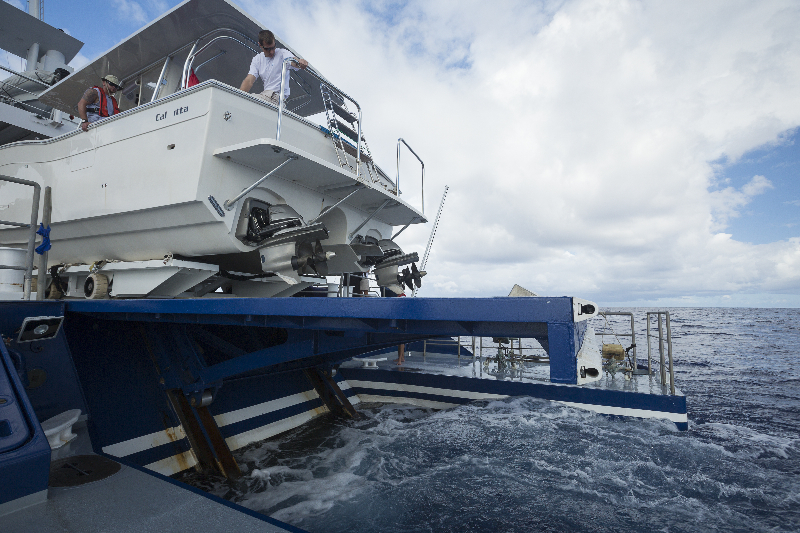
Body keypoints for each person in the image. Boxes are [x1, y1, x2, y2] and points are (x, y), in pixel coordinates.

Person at [239, 30, 308, 105]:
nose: (271, 52)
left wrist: (300, 62)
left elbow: (293, 61)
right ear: (260, 45)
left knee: (248, 100)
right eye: (267, 49)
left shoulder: (282, 53)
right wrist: (238, 97)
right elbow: (249, 80)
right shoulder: (257, 59)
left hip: (276, 98)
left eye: (273, 47)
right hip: (266, 96)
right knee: (243, 100)